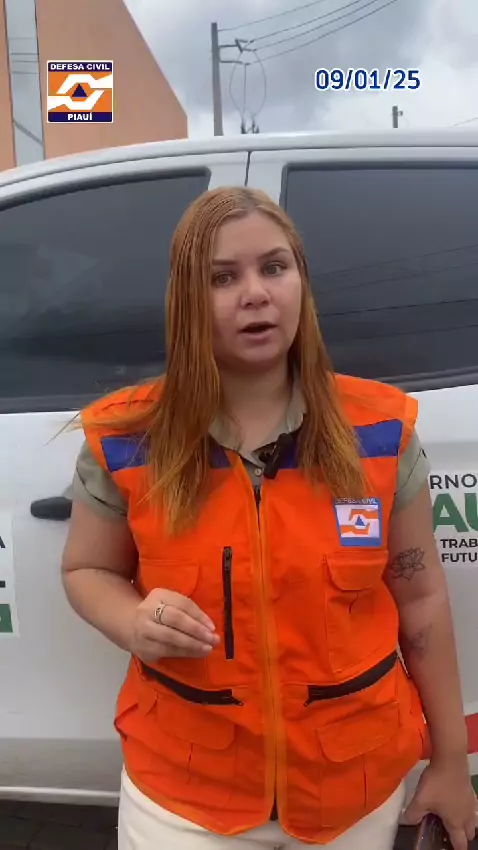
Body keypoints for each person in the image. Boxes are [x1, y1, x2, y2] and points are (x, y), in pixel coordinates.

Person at [61, 186, 476, 850]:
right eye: (222, 277)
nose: (255, 294)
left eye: (274, 267)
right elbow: (86, 569)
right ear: (186, 299)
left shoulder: (378, 432)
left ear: (301, 283)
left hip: (353, 793)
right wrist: (131, 620)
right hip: (185, 799)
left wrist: (451, 763)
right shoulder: (128, 437)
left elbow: (421, 597)